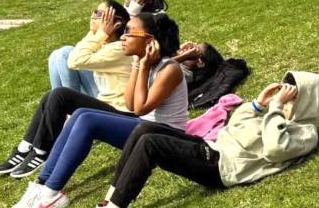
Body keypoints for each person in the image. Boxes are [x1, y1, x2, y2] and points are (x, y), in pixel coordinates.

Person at [10, 13, 191, 208]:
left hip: (164, 135)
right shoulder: (143, 64)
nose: (123, 36)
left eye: (130, 32)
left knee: (88, 120)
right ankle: (42, 186)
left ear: (149, 40)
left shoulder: (170, 69)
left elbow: (139, 108)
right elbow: (130, 104)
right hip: (144, 128)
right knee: (80, 114)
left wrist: (143, 66)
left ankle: (51, 194)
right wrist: (139, 64)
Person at [94, 71, 319, 208]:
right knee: (145, 129)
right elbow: (235, 123)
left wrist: (277, 109)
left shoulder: (305, 133)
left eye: (293, 98)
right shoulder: (274, 115)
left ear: (307, 103)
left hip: (222, 167)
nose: (284, 100)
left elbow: (274, 150)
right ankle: (110, 199)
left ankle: (117, 206)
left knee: (151, 145)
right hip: (212, 147)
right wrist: (259, 105)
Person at [47, 1, 131, 99]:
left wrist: (100, 33)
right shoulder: (103, 41)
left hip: (111, 104)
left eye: (98, 14)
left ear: (116, 23)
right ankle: (63, 107)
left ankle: (68, 107)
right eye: (94, 12)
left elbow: (74, 61)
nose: (93, 16)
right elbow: (78, 53)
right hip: (101, 94)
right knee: (55, 55)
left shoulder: (119, 48)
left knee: (64, 53)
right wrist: (94, 32)